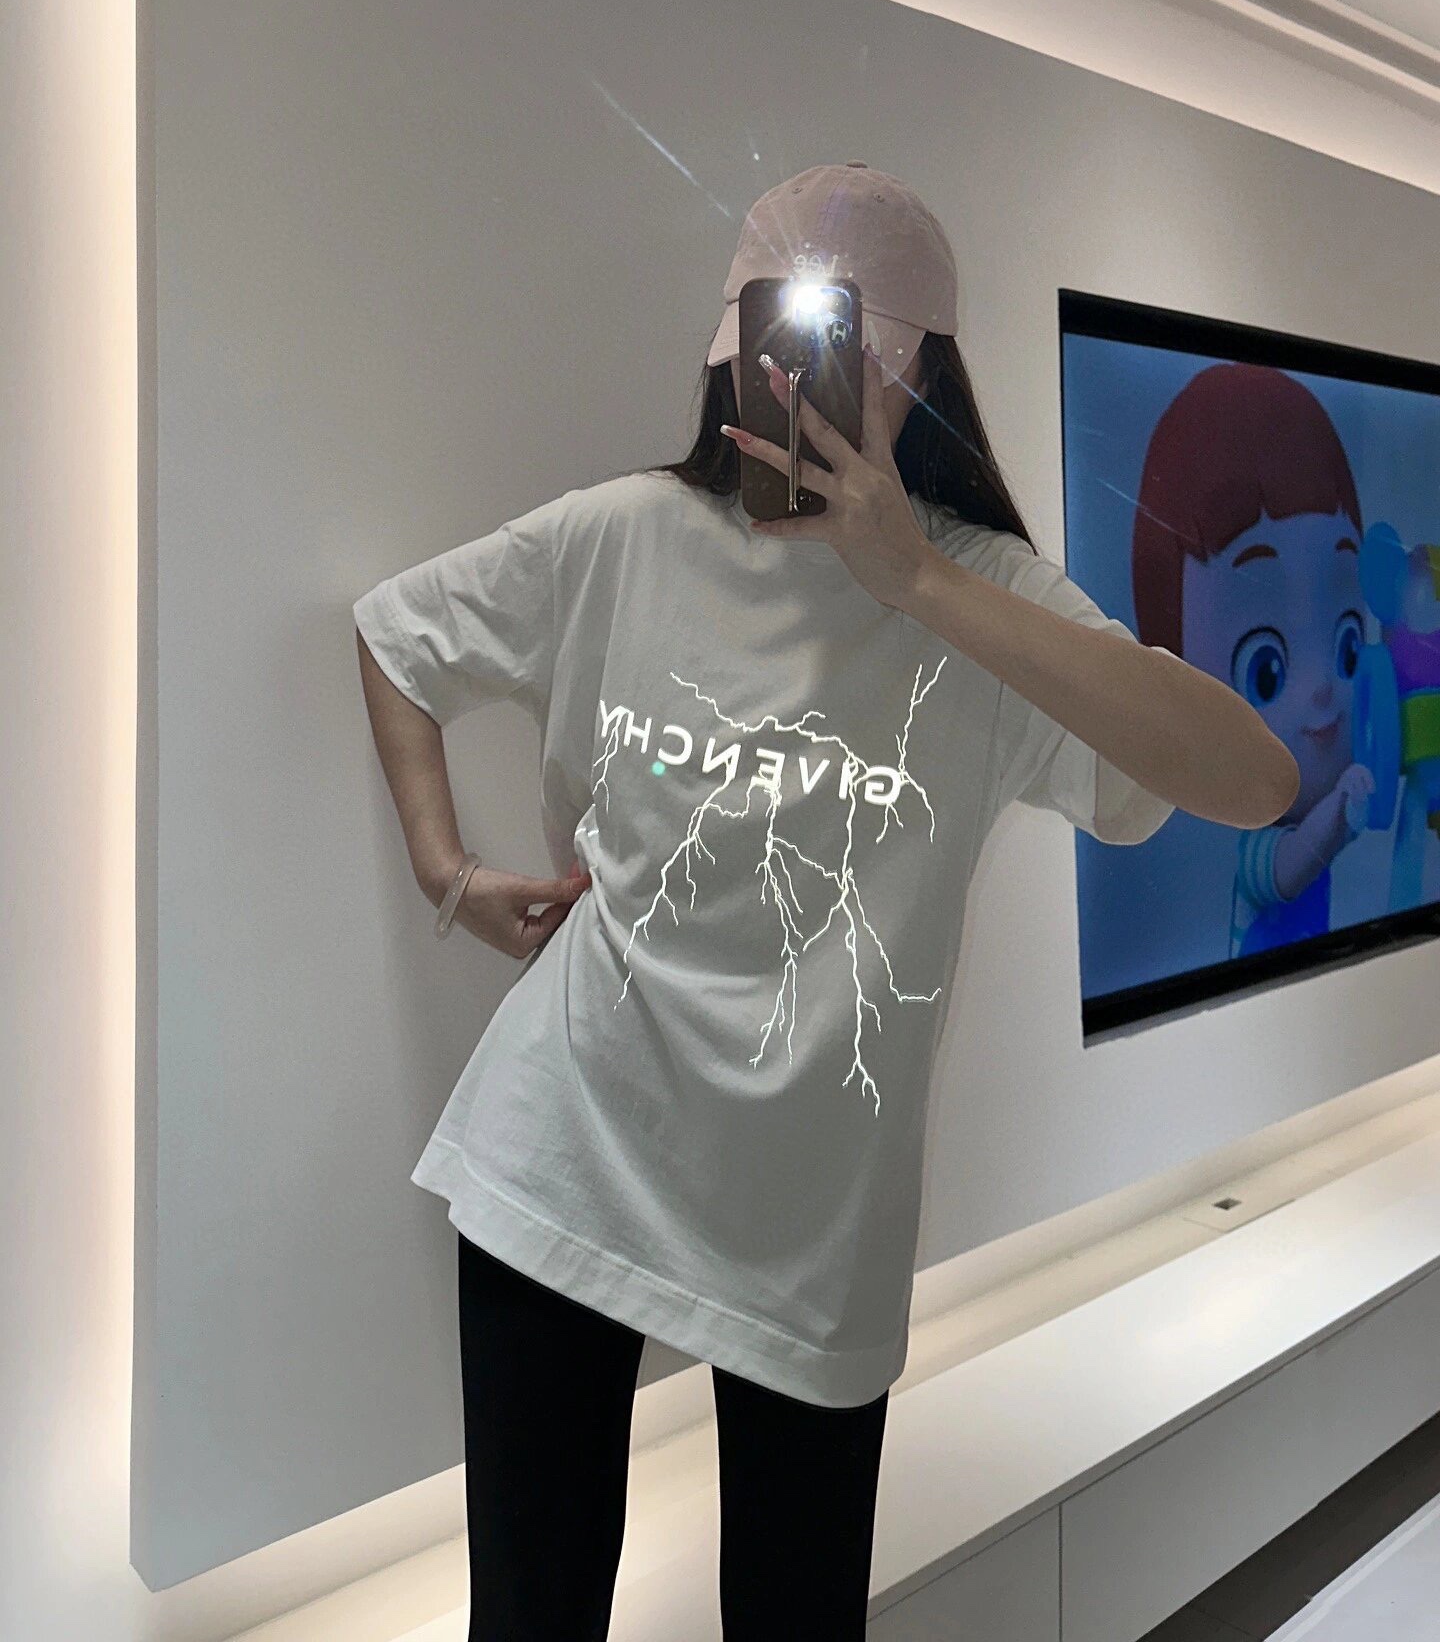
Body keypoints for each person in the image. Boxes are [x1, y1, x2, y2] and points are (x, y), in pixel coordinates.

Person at [353, 163, 1297, 1641]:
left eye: (846, 348)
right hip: (567, 1145)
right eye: (771, 336)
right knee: (530, 1619)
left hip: (811, 1228)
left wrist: (915, 582)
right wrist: (447, 873)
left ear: (921, 377)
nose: (795, 380)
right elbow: (397, 637)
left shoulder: (987, 600)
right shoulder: (624, 534)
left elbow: (1252, 780)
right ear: (727, 344)